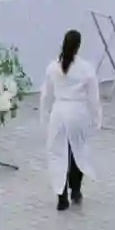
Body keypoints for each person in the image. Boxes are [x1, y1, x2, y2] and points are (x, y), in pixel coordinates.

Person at [41, 29, 96, 211]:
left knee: (57, 153)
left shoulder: (53, 67)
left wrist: (45, 115)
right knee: (77, 150)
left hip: (59, 110)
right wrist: (96, 117)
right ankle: (76, 190)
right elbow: (93, 97)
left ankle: (61, 193)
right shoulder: (86, 68)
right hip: (78, 111)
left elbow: (46, 95)